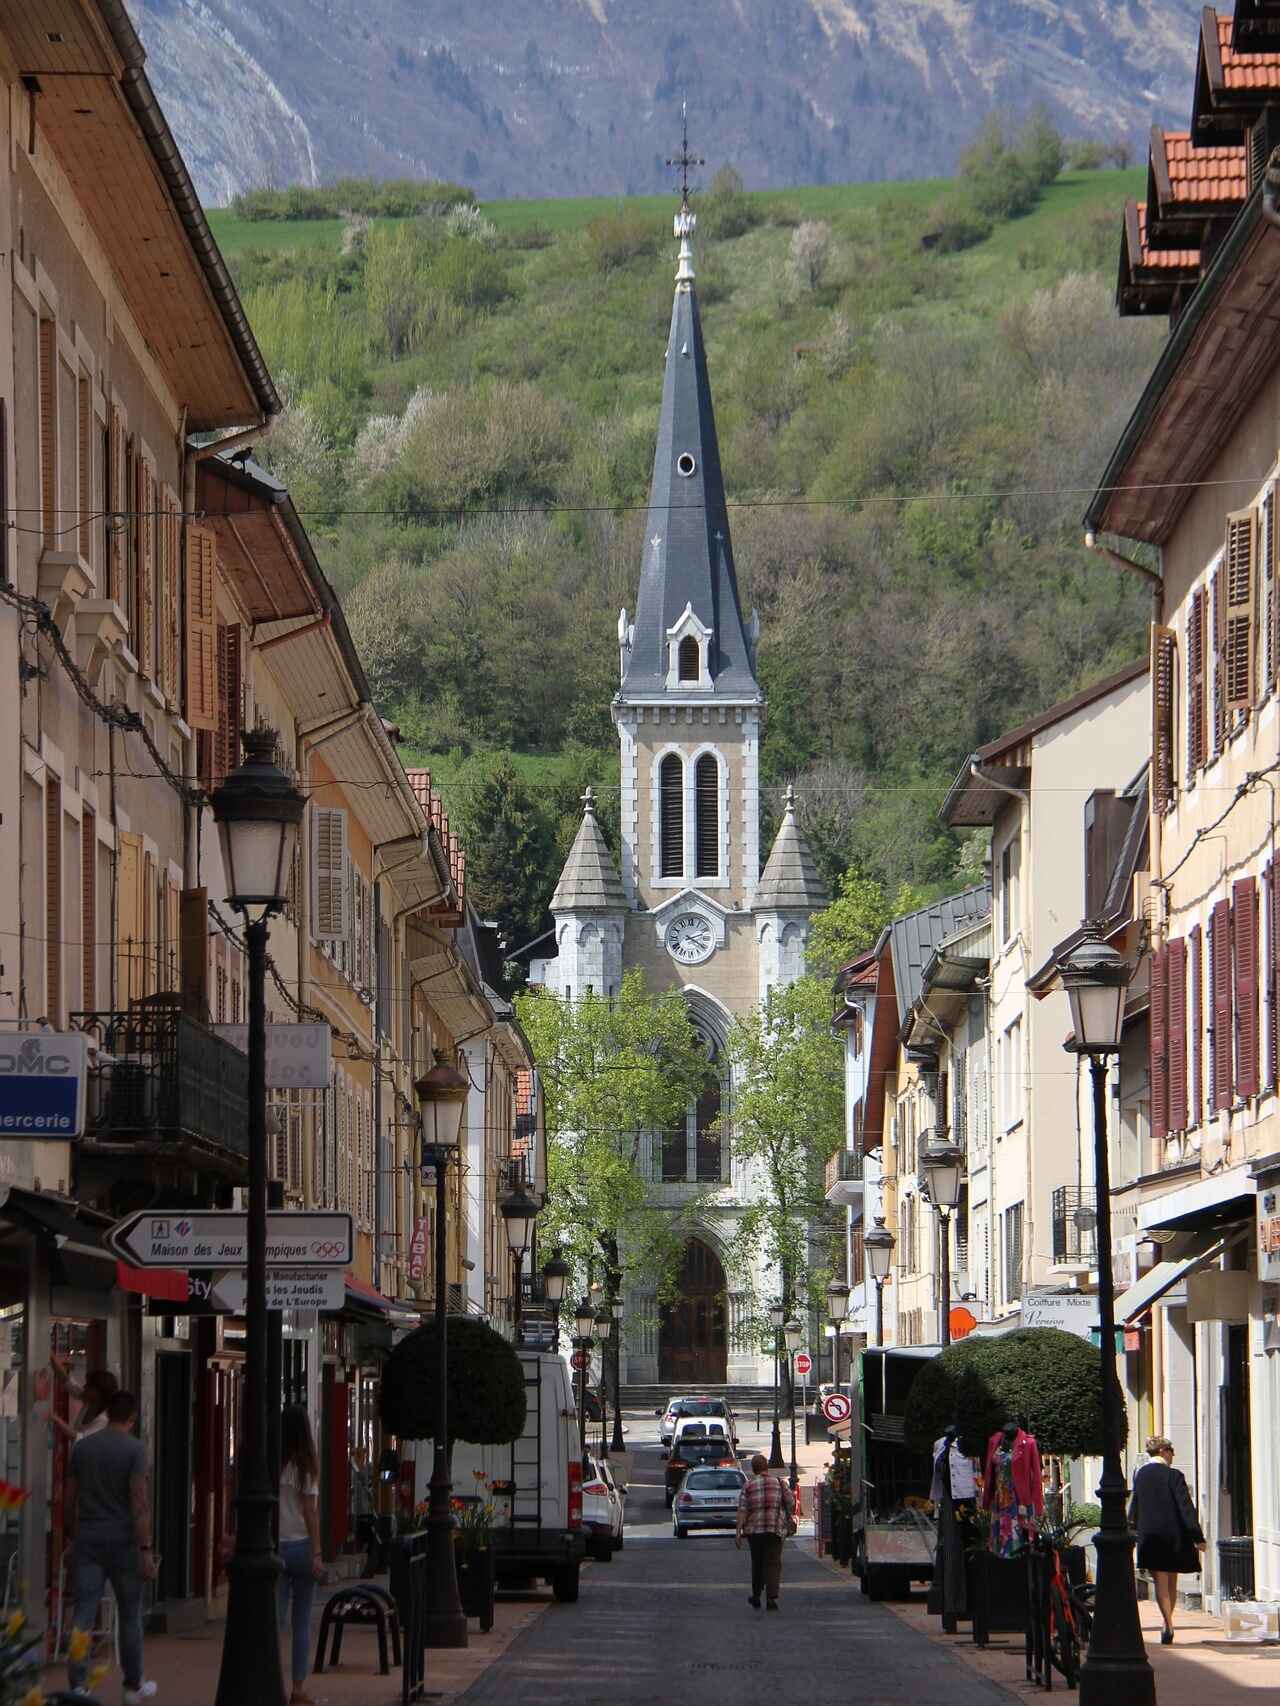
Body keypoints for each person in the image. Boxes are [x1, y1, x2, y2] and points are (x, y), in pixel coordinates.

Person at [64, 1389, 157, 1705]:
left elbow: (69, 1497)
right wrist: (145, 1547)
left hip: (88, 1539)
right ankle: (132, 1684)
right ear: (131, 1418)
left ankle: (77, 1684)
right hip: (123, 1543)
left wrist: (72, 1535)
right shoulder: (135, 1451)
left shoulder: (83, 1449)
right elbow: (139, 1502)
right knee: (130, 1614)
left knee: (84, 1613)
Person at [1129, 1435, 1205, 1645]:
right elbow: (1186, 1508)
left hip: (1150, 1534)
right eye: (1171, 1451)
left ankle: (1168, 1622)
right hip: (1173, 1534)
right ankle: (1167, 1623)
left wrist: (1131, 1526)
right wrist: (1197, 1536)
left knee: (1160, 1582)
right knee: (1172, 1580)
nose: (1173, 1455)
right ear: (1163, 1451)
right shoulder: (1173, 1476)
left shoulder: (1141, 1474)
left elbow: (1135, 1502)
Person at [278, 1404, 324, 1706]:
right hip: (302, 1546)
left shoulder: (273, 1464)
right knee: (302, 1622)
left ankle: (271, 1679)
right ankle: (298, 1688)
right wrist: (317, 1552)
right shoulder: (306, 1466)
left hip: (276, 1547)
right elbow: (310, 1511)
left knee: (277, 1621)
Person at [735, 1452, 796, 1611]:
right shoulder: (779, 1483)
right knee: (773, 1562)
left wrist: (738, 1533)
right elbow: (791, 1502)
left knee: (757, 1563)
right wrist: (785, 1514)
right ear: (766, 1467)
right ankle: (771, 1598)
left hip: (754, 1532)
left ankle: (756, 1596)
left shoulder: (748, 1486)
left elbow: (742, 1510)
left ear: (753, 1469)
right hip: (775, 1529)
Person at [49, 1362, 119, 1444]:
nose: (84, 1386)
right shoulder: (90, 1402)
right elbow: (67, 1381)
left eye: (89, 1385)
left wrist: (56, 1419)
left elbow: (81, 1439)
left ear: (99, 1392)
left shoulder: (104, 1419)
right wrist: (51, 1357)